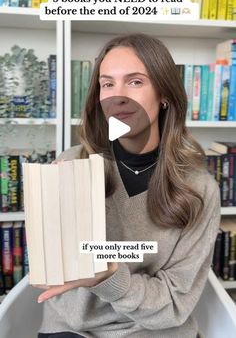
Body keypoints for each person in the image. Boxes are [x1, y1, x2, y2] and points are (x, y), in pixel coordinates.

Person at [37, 33, 220, 338]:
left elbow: (174, 305)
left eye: (135, 82)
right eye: (107, 84)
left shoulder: (199, 190)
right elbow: (63, 286)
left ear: (164, 94)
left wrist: (109, 273)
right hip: (73, 330)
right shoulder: (72, 165)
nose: (117, 96)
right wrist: (57, 216)